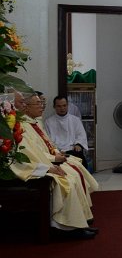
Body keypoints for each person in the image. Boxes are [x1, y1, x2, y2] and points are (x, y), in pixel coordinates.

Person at [12, 93, 100, 239]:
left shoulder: (33, 122)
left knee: (76, 168)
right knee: (68, 180)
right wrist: (51, 162)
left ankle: (81, 218)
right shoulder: (20, 126)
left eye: (42, 103)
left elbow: (45, 145)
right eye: (38, 103)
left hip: (48, 160)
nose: (41, 106)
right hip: (39, 167)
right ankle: (66, 227)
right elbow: (31, 154)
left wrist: (56, 155)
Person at [44, 95, 90, 165]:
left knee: (80, 158)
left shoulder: (75, 120)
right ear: (54, 107)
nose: (62, 108)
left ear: (68, 105)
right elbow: (48, 139)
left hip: (72, 149)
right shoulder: (48, 122)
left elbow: (81, 135)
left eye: (64, 105)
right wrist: (56, 150)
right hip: (57, 151)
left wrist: (78, 144)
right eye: (59, 106)